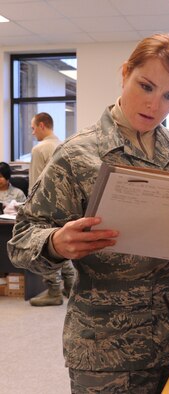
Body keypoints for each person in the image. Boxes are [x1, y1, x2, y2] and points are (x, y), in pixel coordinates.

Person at [8, 33, 169, 393]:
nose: (154, 104)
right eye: (145, 86)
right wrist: (56, 242)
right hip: (104, 347)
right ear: (125, 73)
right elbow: (23, 239)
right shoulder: (76, 155)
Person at [28, 112, 77, 307]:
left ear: (42, 125)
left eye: (33, 128)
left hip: (46, 206)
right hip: (66, 205)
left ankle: (53, 290)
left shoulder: (40, 149)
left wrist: (29, 209)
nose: (33, 133)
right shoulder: (66, 145)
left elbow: (35, 182)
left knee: (47, 248)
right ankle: (70, 285)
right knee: (62, 246)